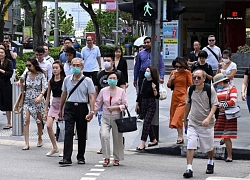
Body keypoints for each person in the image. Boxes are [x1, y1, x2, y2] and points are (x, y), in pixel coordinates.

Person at [58, 57, 95, 165]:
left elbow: (91, 96)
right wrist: (61, 108)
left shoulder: (87, 81)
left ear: (82, 67)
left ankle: (81, 156)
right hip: (69, 107)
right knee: (68, 132)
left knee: (81, 132)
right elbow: (63, 94)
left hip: (82, 107)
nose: (75, 67)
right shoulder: (67, 79)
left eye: (78, 65)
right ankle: (66, 157)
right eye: (73, 65)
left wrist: (92, 111)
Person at [183, 69, 218, 178]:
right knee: (191, 144)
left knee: (208, 147)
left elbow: (215, 105)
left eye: (199, 77)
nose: (196, 79)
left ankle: (211, 161)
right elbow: (187, 104)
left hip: (207, 124)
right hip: (193, 122)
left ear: (204, 78)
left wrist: (208, 118)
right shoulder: (191, 89)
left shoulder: (210, 89)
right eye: (194, 77)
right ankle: (189, 168)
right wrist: (185, 120)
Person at [94, 53, 126, 154]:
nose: (106, 62)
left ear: (113, 61)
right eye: (105, 60)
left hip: (117, 112)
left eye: (108, 60)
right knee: (103, 132)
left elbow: (123, 88)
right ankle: (105, 150)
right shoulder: (99, 74)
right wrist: (93, 109)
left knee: (117, 135)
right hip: (104, 109)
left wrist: (120, 107)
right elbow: (96, 89)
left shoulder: (119, 74)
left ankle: (118, 153)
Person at [95, 71, 128, 167]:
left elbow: (125, 105)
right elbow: (98, 102)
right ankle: (106, 157)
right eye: (110, 78)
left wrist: (116, 108)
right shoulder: (103, 91)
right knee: (104, 135)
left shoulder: (121, 91)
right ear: (107, 80)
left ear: (117, 80)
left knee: (117, 138)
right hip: (105, 116)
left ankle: (117, 158)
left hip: (116, 117)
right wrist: (93, 112)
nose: (112, 80)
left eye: (114, 78)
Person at [19, 57, 47, 150]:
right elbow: (24, 87)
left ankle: (40, 137)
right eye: (26, 65)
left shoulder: (41, 75)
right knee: (26, 121)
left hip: (37, 100)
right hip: (27, 100)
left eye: (29, 65)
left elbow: (45, 87)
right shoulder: (26, 74)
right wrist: (22, 83)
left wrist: (40, 96)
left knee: (39, 121)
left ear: (34, 65)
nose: (28, 67)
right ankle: (26, 143)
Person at [134, 37, 165, 120]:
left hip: (153, 74)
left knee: (153, 91)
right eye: (145, 42)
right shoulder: (140, 54)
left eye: (148, 42)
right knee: (141, 92)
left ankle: (151, 111)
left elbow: (161, 65)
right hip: (142, 74)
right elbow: (136, 67)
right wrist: (135, 78)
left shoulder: (157, 53)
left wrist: (161, 76)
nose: (146, 44)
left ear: (152, 43)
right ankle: (141, 112)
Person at [213, 73, 238, 162]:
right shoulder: (218, 90)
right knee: (219, 132)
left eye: (218, 83)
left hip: (230, 114)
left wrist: (223, 105)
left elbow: (233, 100)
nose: (218, 85)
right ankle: (223, 139)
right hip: (221, 114)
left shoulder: (232, 88)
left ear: (222, 82)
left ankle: (229, 156)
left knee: (227, 135)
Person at [167, 57, 192, 144]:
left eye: (180, 67)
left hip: (184, 96)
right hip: (175, 96)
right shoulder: (173, 73)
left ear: (184, 66)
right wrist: (171, 79)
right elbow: (169, 85)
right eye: (176, 66)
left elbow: (190, 84)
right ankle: (180, 135)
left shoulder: (187, 73)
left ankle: (181, 135)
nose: (178, 68)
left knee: (178, 116)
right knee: (175, 116)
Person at [44, 60, 66, 156]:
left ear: (61, 69)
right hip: (54, 104)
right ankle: (55, 147)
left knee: (64, 129)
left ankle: (65, 149)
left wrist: (62, 107)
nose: (55, 70)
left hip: (63, 103)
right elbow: (48, 96)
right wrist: (45, 110)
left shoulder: (65, 80)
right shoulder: (51, 81)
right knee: (49, 126)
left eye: (57, 68)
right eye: (53, 68)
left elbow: (66, 94)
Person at [135, 66, 160, 150]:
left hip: (151, 103)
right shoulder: (144, 81)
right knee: (147, 122)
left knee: (146, 123)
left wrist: (154, 89)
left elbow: (157, 96)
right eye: (146, 71)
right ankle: (153, 139)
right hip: (143, 102)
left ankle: (143, 143)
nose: (146, 72)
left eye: (148, 71)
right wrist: (137, 103)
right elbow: (140, 93)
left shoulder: (155, 83)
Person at [0, 47, 13, 129]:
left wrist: (2, 71)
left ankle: (9, 122)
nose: (0, 54)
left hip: (6, 85)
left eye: (1, 52)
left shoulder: (9, 62)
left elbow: (10, 73)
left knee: (7, 104)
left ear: (5, 54)